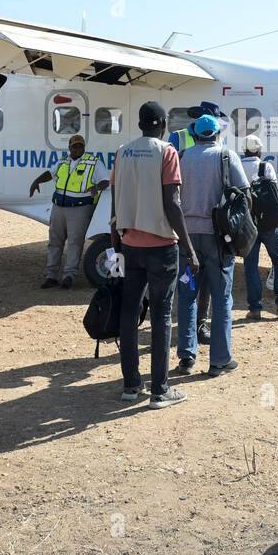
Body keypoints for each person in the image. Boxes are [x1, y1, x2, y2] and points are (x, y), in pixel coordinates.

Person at [110, 102, 199, 408]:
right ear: (162, 123)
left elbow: (115, 197)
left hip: (129, 244)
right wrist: (188, 248)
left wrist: (116, 239)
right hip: (161, 247)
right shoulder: (166, 152)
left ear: (139, 123)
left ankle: (131, 385)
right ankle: (160, 390)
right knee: (161, 315)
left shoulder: (122, 152)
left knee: (129, 313)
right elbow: (172, 203)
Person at [175, 113, 248, 375]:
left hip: (186, 238)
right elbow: (244, 194)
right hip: (217, 238)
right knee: (221, 298)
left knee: (187, 295)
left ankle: (186, 356)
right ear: (217, 134)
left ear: (194, 134)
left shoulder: (182, 157)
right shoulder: (226, 156)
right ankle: (219, 360)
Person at [29, 133, 108, 289]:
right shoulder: (63, 161)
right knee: (54, 242)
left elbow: (105, 181)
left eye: (80, 146)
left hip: (80, 209)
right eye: (75, 146)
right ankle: (51, 276)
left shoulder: (94, 162)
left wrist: (96, 187)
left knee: (74, 243)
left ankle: (69, 276)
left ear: (84, 148)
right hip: (59, 207)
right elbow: (49, 173)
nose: (77, 148)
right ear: (69, 148)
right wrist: (36, 181)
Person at [240, 134, 278, 319]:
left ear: (244, 150)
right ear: (259, 150)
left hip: (248, 226)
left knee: (251, 266)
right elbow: (275, 195)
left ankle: (255, 308)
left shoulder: (238, 166)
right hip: (270, 223)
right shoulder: (266, 167)